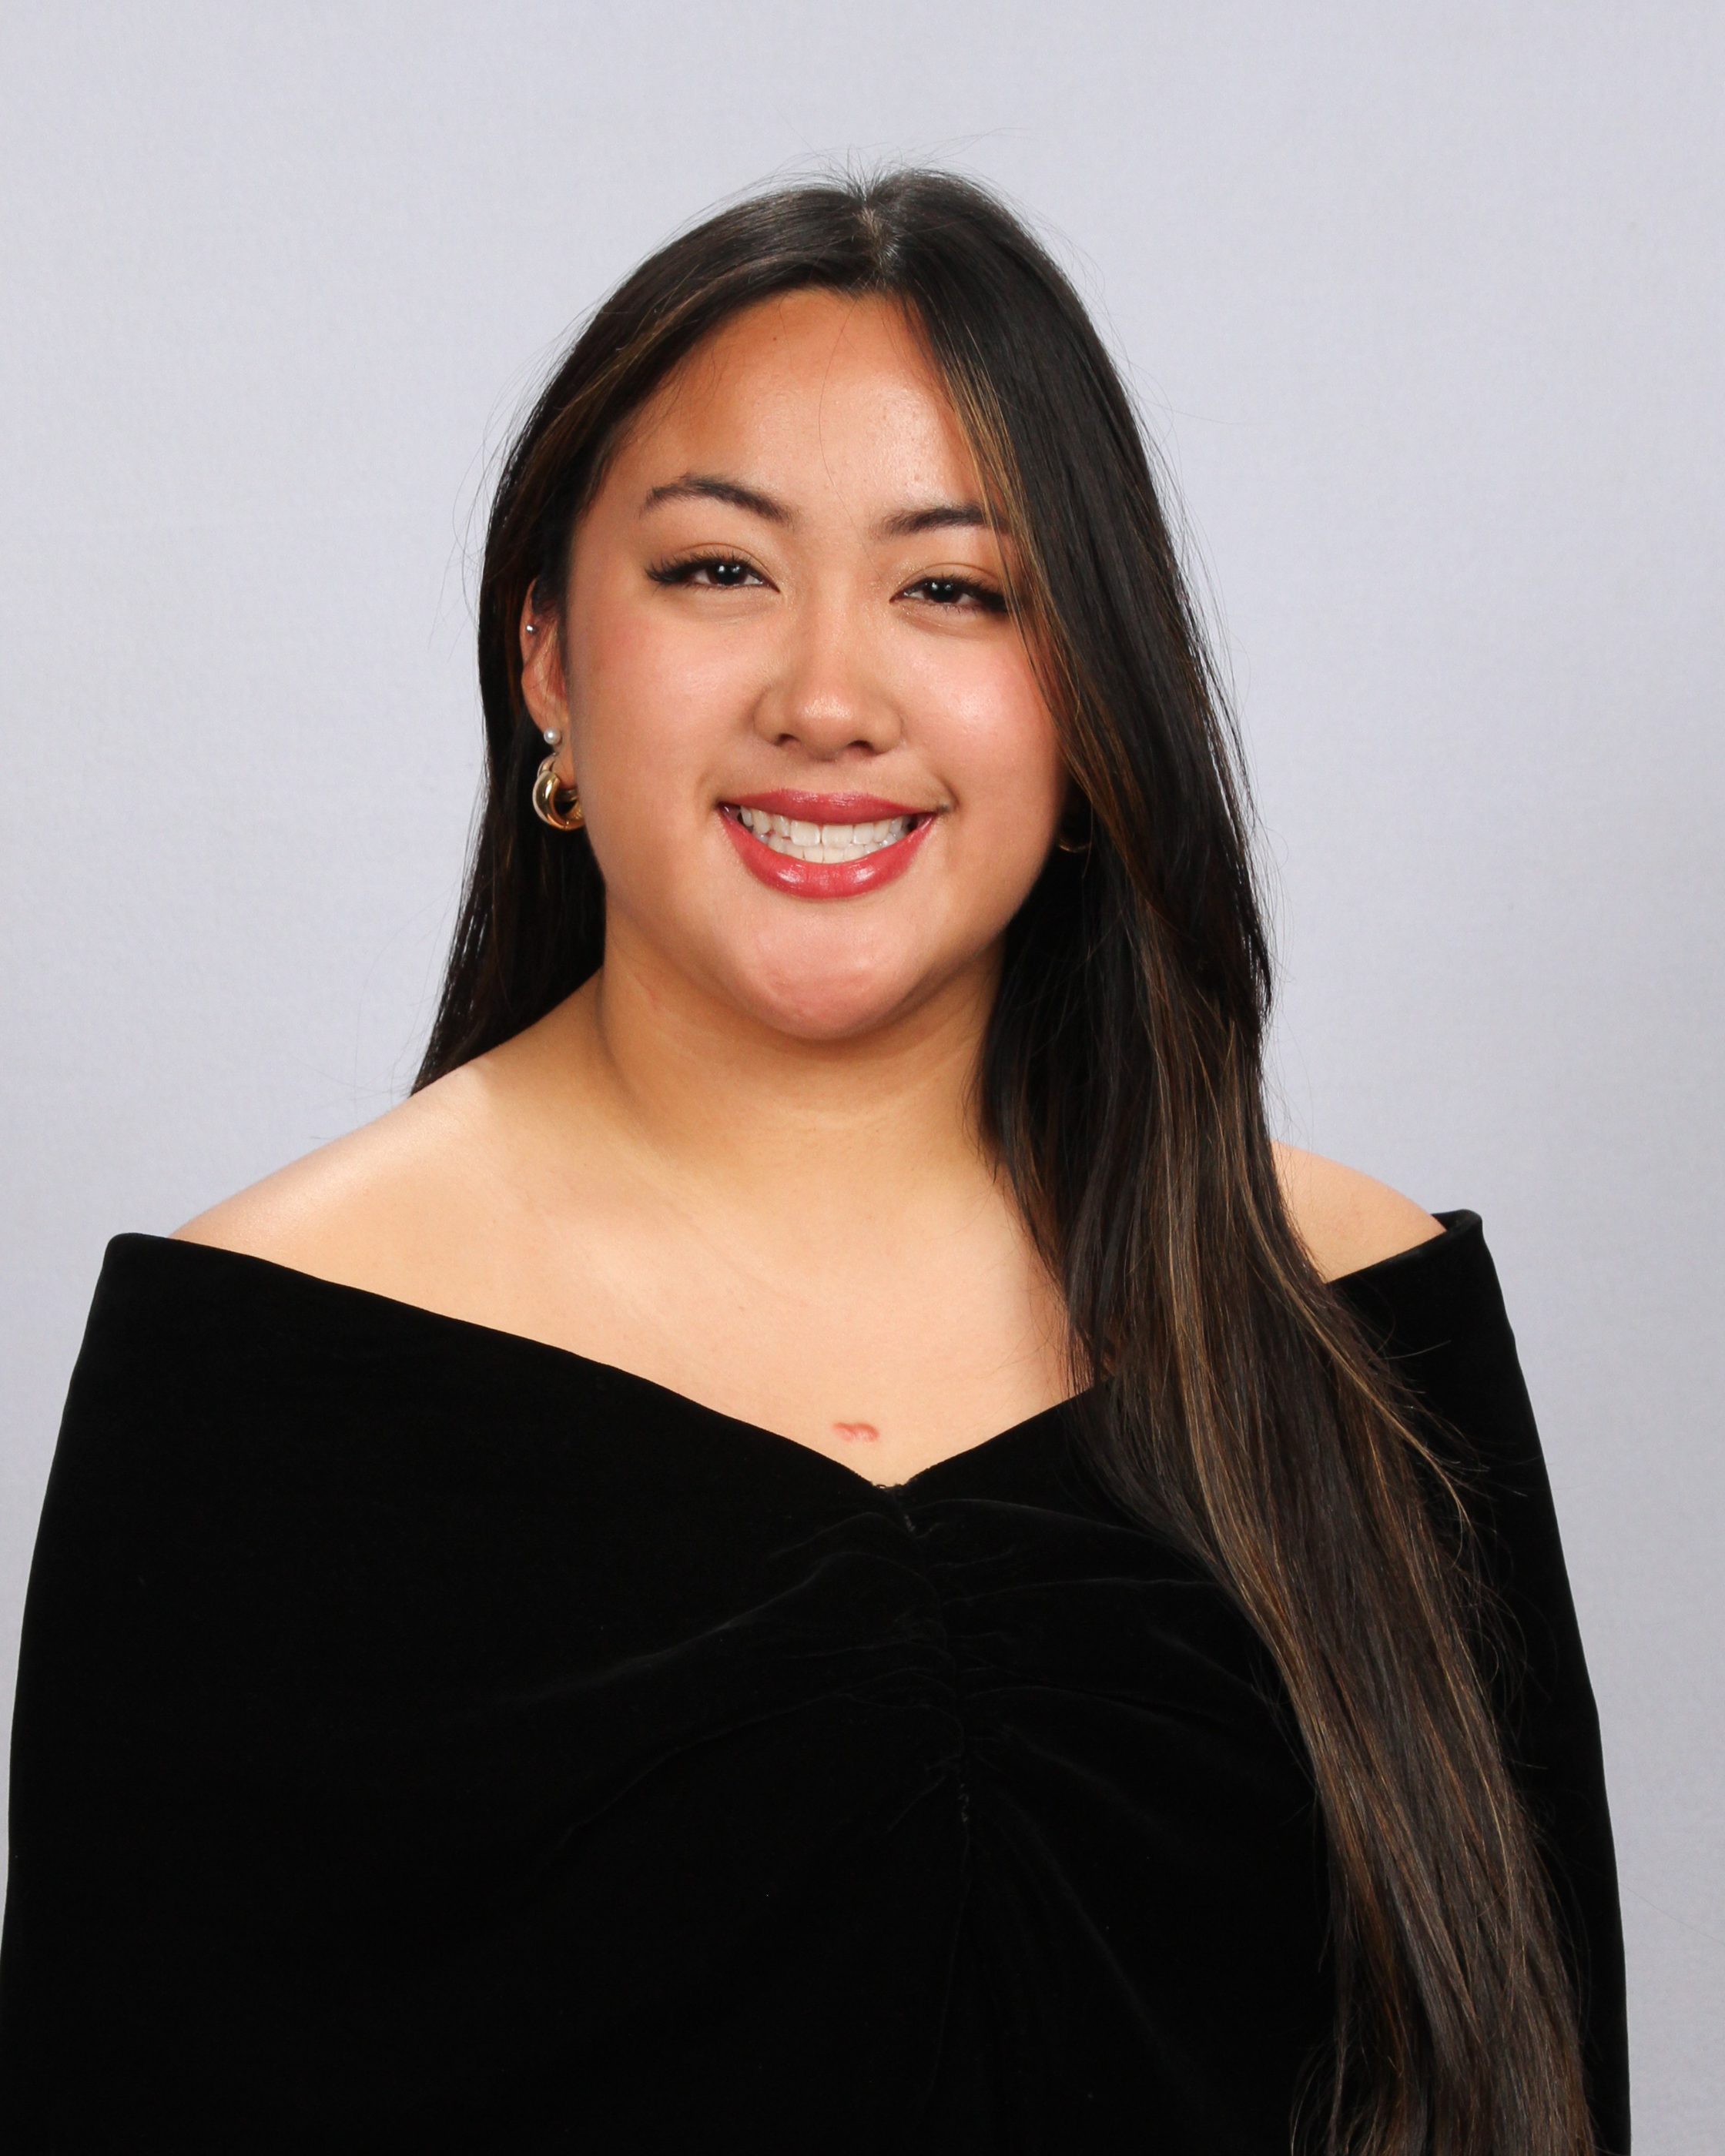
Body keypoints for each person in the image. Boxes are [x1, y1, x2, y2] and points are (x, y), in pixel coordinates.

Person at [0, 170, 1626, 2154]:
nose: (830, 703)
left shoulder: (1360, 1321)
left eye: (958, 590)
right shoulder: (255, 1371)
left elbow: (1535, 2092)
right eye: (718, 570)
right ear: (546, 656)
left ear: (1092, 693)